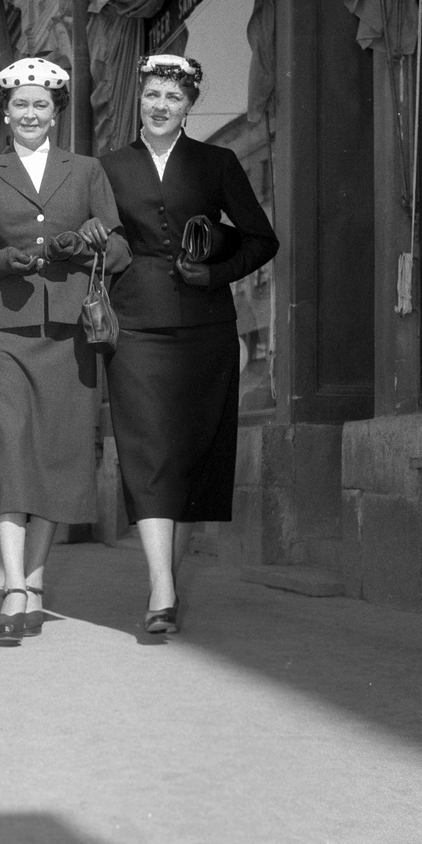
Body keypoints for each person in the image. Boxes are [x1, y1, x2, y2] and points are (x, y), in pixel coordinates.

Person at [86, 53, 278, 633]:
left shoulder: (217, 163)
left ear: (190, 105)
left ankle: (166, 580)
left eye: (173, 97)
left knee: (192, 453)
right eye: (152, 94)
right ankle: (162, 588)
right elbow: (98, 241)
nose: (161, 105)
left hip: (205, 326)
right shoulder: (108, 168)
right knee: (147, 450)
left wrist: (216, 273)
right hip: (135, 325)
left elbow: (261, 239)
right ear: (139, 100)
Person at [0, 58, 130, 645]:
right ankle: (11, 585)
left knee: (58, 452)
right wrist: (5, 260)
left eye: (41, 106)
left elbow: (121, 249)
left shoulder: (86, 170)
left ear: (56, 114)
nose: (30, 115)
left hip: (69, 332)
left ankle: (35, 579)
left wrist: (86, 246)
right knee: (8, 450)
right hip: (2, 330)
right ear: (6, 114)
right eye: (21, 105)